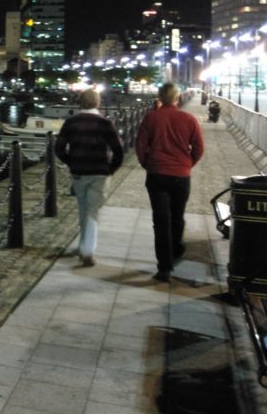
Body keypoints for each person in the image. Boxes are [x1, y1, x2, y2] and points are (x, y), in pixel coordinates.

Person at [135, 82, 205, 281]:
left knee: (160, 220)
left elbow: (140, 146)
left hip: (157, 174)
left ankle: (164, 267)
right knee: (177, 216)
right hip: (181, 175)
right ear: (178, 98)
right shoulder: (188, 119)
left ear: (160, 97)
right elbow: (199, 147)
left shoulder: (151, 118)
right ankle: (176, 250)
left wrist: (148, 164)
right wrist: (187, 164)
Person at [55, 88, 124, 267]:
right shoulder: (105, 123)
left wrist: (71, 162)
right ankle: (88, 251)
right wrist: (111, 169)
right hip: (99, 172)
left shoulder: (71, 123)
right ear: (97, 102)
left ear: (80, 102)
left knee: (83, 208)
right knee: (92, 210)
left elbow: (59, 149)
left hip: (79, 172)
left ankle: (83, 245)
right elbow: (118, 150)